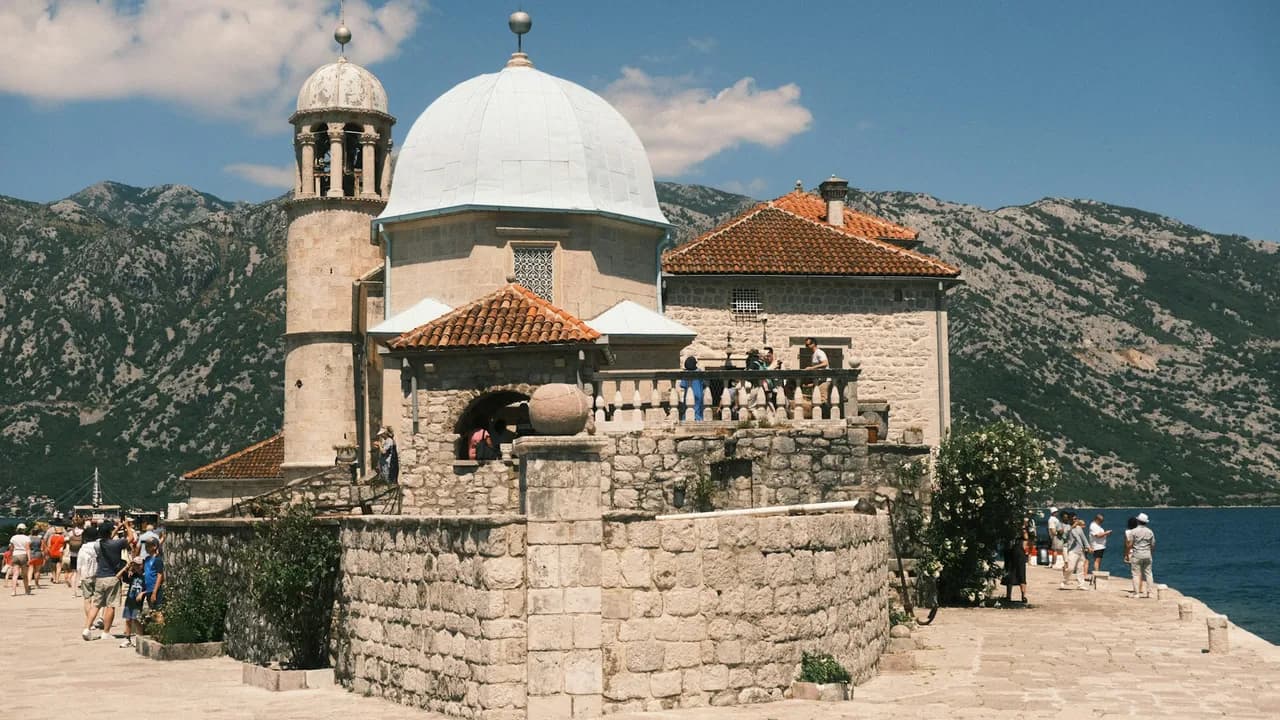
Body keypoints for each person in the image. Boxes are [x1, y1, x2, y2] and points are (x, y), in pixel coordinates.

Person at [87, 520, 135, 641]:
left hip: (100, 576)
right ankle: (106, 632)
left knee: (96, 604)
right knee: (110, 606)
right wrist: (126, 526)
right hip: (113, 577)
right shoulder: (116, 544)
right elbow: (131, 538)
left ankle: (87, 628)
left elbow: (107, 538)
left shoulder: (98, 544)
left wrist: (117, 528)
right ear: (109, 532)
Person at [118, 557, 146, 648]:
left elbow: (150, 588)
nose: (137, 567)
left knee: (136, 620)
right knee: (128, 619)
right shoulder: (132, 575)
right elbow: (118, 576)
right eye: (135, 565)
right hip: (129, 601)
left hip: (138, 602)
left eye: (139, 565)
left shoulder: (145, 576)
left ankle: (140, 638)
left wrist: (142, 593)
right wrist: (126, 567)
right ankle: (127, 638)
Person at [1129, 512, 1156, 598]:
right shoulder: (1150, 532)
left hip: (1137, 554)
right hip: (1147, 554)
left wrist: (1127, 554)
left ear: (1138, 521)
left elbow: (1130, 544)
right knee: (1149, 573)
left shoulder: (1133, 531)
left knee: (1136, 574)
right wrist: (1151, 553)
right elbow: (1153, 544)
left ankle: (1136, 593)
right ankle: (1150, 593)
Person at [77, 526, 100, 624]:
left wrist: (79, 578)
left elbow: (79, 565)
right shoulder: (99, 546)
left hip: (86, 575)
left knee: (87, 599)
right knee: (99, 599)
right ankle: (99, 618)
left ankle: (89, 621)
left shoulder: (83, 548)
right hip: (98, 574)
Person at [1060, 516, 1089, 590]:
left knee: (1080, 568)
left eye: (1076, 519)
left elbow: (1083, 538)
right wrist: (1072, 527)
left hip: (1080, 550)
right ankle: (1065, 580)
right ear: (1070, 520)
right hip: (1073, 551)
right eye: (1073, 519)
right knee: (1070, 568)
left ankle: (1081, 584)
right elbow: (1064, 535)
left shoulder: (1079, 528)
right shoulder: (1067, 527)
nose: (1075, 520)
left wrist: (1088, 546)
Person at [1003, 527, 1028, 603]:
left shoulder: (1021, 531)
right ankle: (1009, 596)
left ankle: (1023, 596)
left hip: (1017, 554)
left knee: (1020, 575)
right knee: (1010, 574)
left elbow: (1026, 537)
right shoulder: (1009, 530)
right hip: (1013, 554)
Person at [7, 522, 31, 596]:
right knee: (25, 575)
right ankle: (26, 591)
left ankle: (13, 591)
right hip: (23, 555)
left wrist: (10, 556)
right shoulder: (26, 538)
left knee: (15, 574)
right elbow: (28, 549)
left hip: (15, 555)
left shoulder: (13, 537)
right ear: (24, 530)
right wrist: (29, 558)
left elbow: (11, 548)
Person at [142, 537, 164, 614]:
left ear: (154, 547)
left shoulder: (157, 560)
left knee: (158, 612)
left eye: (148, 546)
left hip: (155, 590)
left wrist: (154, 592)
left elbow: (159, 576)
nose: (146, 548)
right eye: (146, 546)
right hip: (148, 589)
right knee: (152, 611)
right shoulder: (147, 559)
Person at [680, 355, 705, 421]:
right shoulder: (699, 372)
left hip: (688, 393)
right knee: (698, 409)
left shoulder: (685, 373)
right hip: (699, 393)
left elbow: (682, 385)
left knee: (688, 409)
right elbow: (704, 383)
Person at [1088, 514, 1111, 579]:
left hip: (1100, 545)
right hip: (1097, 546)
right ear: (1097, 519)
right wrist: (1106, 533)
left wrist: (1106, 534)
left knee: (1098, 560)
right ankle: (1096, 574)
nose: (1102, 522)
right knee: (1097, 560)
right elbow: (1097, 535)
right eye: (1101, 521)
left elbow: (1100, 535)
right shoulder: (1093, 526)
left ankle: (1095, 574)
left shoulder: (1097, 526)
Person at [1123, 516, 1140, 595]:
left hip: (1131, 552)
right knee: (1140, 572)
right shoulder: (1139, 531)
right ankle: (1140, 588)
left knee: (1134, 572)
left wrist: (1125, 554)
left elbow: (1127, 544)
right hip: (1139, 551)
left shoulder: (1127, 532)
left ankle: (1135, 589)